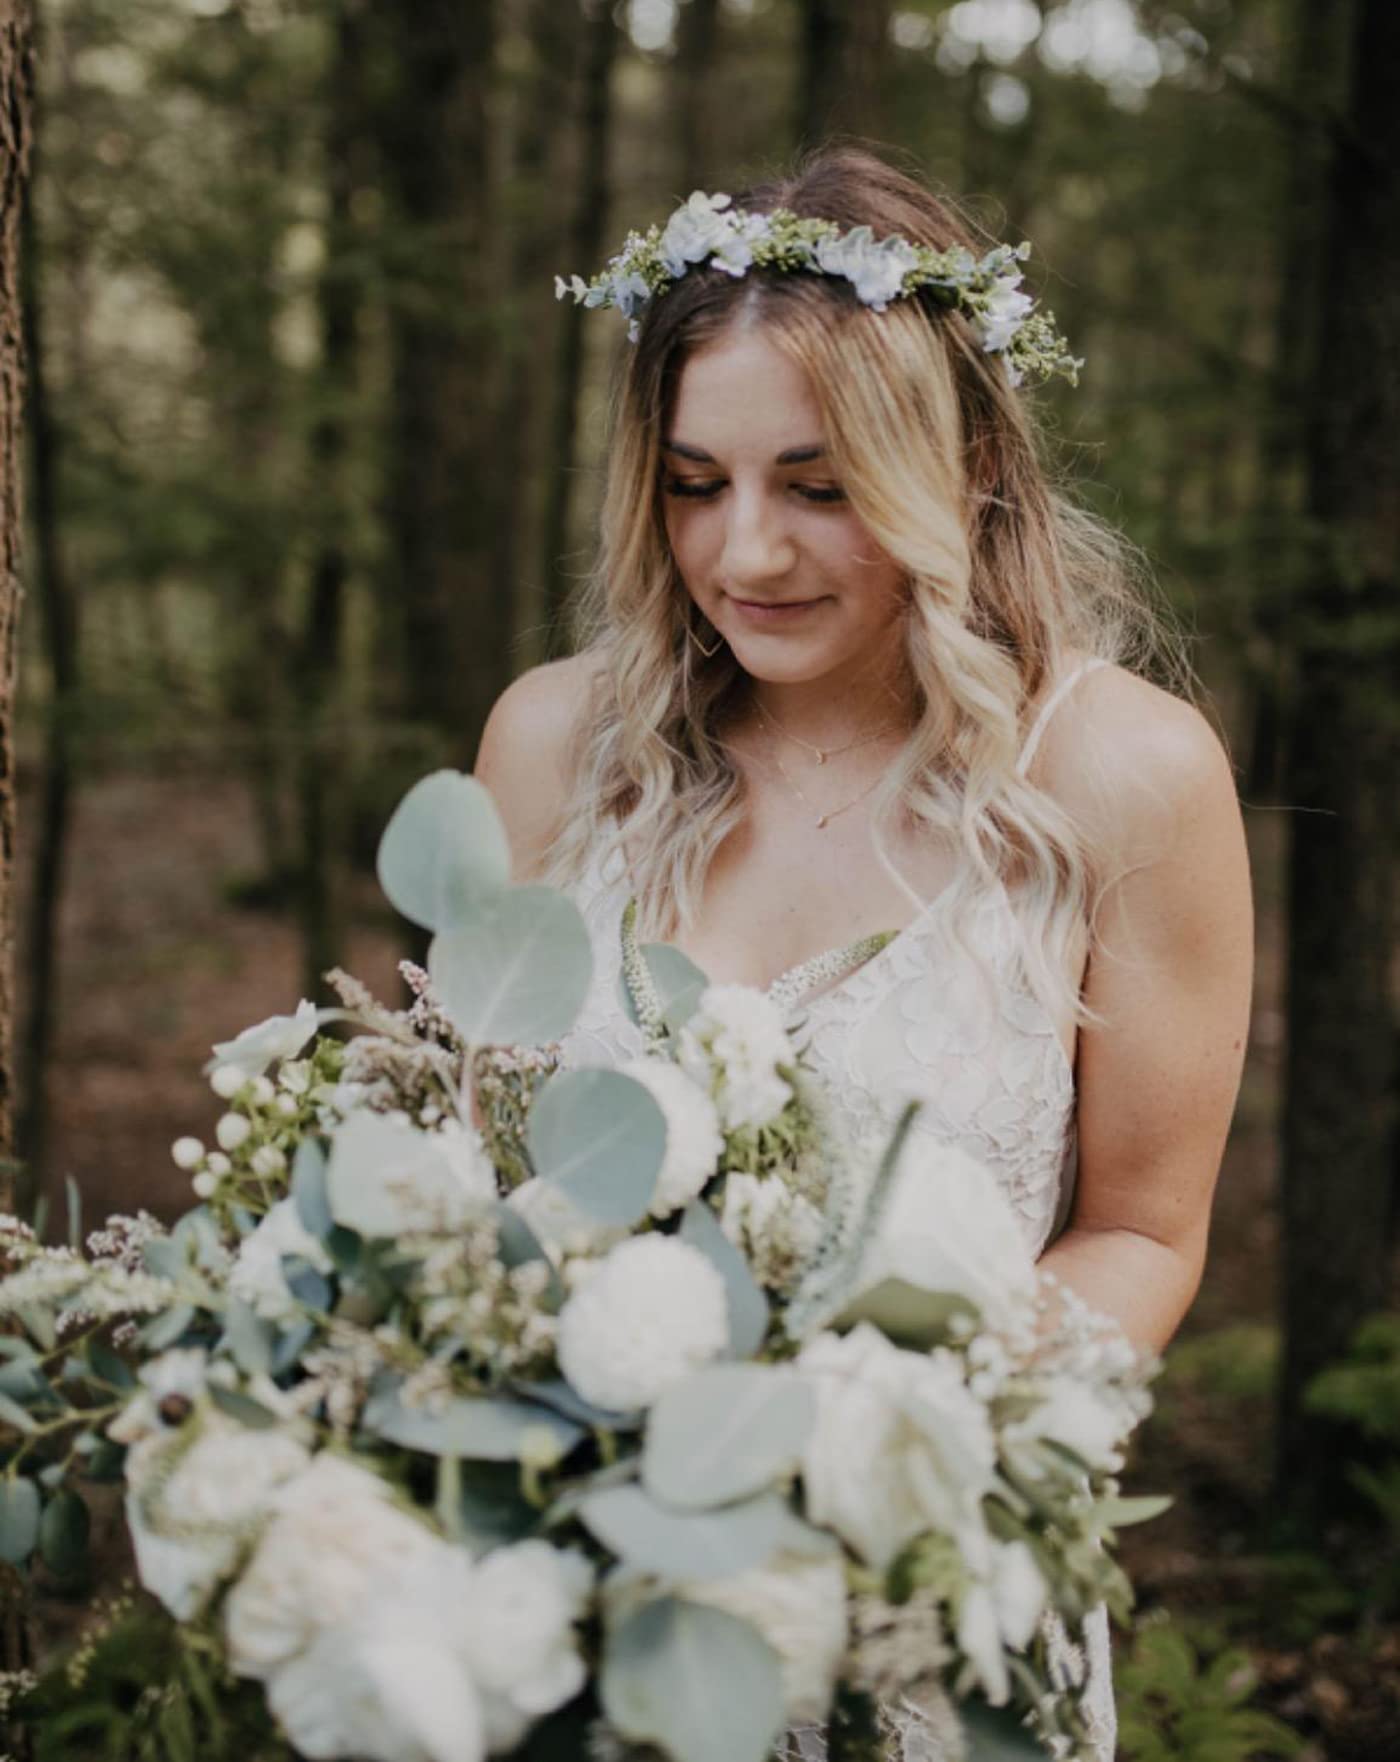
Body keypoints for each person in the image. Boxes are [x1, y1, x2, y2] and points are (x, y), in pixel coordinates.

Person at [473, 146, 1254, 1761]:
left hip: (921, 1595)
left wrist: (858, 1451)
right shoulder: (556, 749)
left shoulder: (1126, 780)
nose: (745, 552)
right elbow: (472, 1175)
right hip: (582, 1594)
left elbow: (1141, 1233)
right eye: (698, 483)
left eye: (817, 486)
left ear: (961, 465)